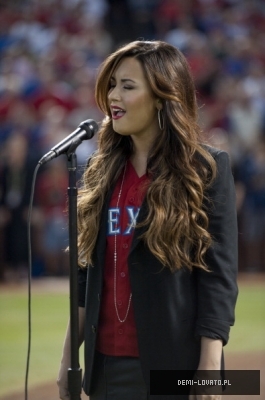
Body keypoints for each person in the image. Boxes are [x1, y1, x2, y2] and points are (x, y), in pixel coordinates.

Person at [57, 40, 238, 400]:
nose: (113, 96)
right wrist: (68, 359)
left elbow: (218, 276)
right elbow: (86, 272)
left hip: (176, 366)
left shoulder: (206, 168)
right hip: (105, 367)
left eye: (127, 86)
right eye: (112, 84)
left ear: (161, 96)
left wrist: (210, 369)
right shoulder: (100, 169)